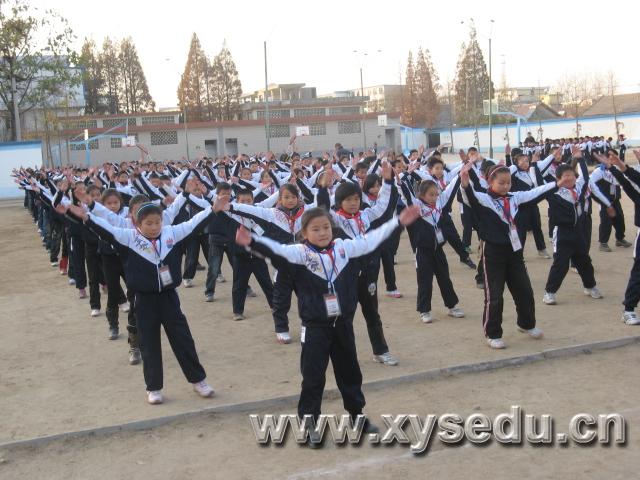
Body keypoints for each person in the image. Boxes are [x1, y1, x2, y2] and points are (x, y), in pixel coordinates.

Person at [235, 205, 421, 447]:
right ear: (304, 232)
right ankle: (310, 424)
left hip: (343, 324)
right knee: (313, 377)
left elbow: (371, 240)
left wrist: (398, 222)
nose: (322, 233)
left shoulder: (344, 248)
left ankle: (357, 416)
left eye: (325, 227)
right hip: (314, 328)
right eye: (315, 229)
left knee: (350, 372)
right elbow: (276, 250)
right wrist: (252, 241)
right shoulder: (300, 254)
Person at [67, 198, 227, 404]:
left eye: (157, 222)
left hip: (169, 298)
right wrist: (87, 218)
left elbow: (193, 224)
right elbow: (106, 229)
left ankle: (199, 381)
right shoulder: (129, 238)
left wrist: (212, 210)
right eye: (148, 223)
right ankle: (154, 388)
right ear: (137, 223)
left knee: (183, 339)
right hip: (143, 300)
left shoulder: (171, 234)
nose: (154, 227)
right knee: (149, 344)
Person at [461, 158, 573, 349]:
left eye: (508, 182)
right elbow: (471, 196)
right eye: (501, 183)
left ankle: (526, 324)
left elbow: (535, 193)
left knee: (524, 291)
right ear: (490, 182)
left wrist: (557, 184)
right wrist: (465, 185)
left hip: (514, 252)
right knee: (494, 296)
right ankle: (493, 333)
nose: (506, 186)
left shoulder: (515, 197)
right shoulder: (484, 199)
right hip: (493, 253)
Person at [542, 146, 602, 305]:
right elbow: (538, 178)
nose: (569, 178)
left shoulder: (579, 188)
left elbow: (586, 178)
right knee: (560, 265)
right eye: (565, 176)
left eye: (571, 175)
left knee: (585, 262)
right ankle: (549, 292)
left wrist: (580, 158)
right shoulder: (554, 193)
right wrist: (546, 161)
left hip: (578, 232)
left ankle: (590, 286)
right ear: (558, 178)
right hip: (562, 233)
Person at [402, 175, 465, 323]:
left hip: (438, 251)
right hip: (423, 251)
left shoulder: (439, 205)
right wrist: (400, 182)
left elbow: (450, 190)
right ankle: (424, 310)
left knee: (445, 278)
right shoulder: (417, 206)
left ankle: (452, 306)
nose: (435, 197)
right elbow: (407, 195)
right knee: (424, 281)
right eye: (431, 195)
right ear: (422, 195)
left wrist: (461, 173)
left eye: (436, 194)